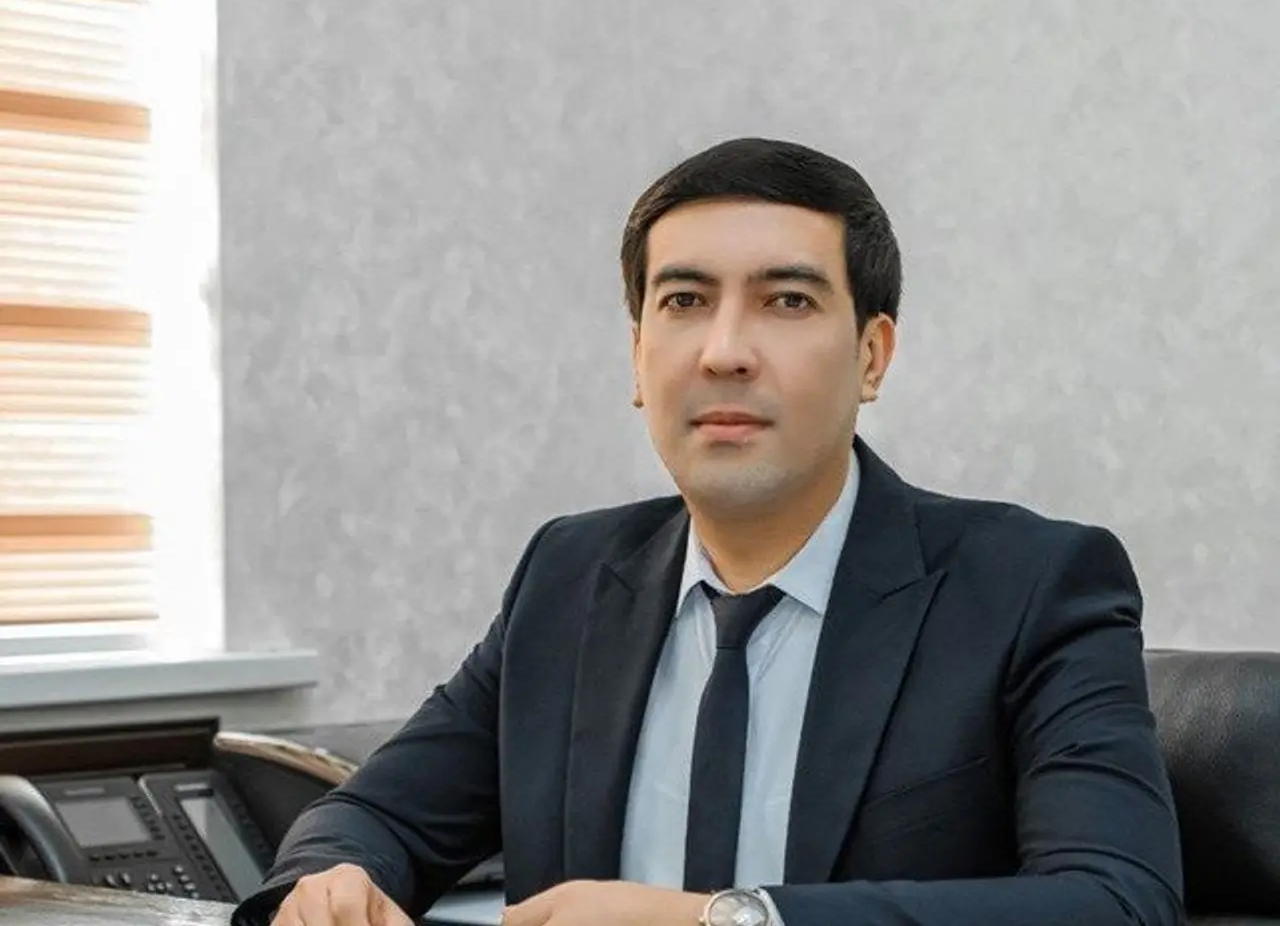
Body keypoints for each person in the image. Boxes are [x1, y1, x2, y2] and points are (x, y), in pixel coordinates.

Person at [236, 138, 1183, 926]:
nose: (725, 350)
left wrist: (726, 920)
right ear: (640, 357)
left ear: (871, 355)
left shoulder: (1031, 584)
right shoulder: (569, 576)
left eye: (787, 301)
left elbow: (1115, 902)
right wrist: (336, 878)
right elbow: (370, 815)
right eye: (684, 302)